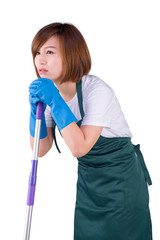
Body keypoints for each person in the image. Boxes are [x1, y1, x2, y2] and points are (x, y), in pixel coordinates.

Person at [29, 22, 152, 240]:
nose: (40, 59)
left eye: (49, 52)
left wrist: (55, 101)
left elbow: (80, 147)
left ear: (71, 54)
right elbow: (40, 149)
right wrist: (34, 111)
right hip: (89, 185)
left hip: (121, 183)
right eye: (37, 52)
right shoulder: (51, 96)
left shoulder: (96, 91)